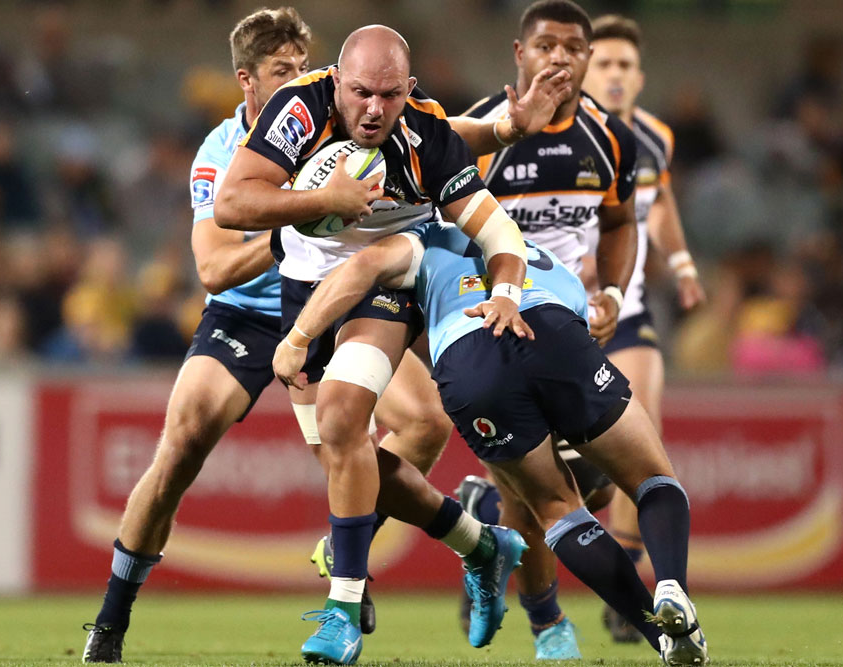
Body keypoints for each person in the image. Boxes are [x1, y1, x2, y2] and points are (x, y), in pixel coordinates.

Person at [213, 23, 566, 665]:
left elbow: (495, 227)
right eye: (359, 94)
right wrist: (327, 199)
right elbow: (230, 205)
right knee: (356, 464)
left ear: (408, 90)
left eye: (387, 95)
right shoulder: (300, 105)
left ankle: (343, 611)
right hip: (305, 284)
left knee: (345, 414)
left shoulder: (425, 134)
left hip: (391, 277)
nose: (372, 110)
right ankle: (482, 545)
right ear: (335, 81)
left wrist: (509, 287)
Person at [272, 222, 710, 667]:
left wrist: (297, 338)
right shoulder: (543, 254)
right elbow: (585, 324)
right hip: (550, 329)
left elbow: (363, 265)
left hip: (468, 366)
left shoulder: (421, 238)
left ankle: (659, 638)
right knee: (650, 478)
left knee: (556, 508)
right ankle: (670, 585)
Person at [82, 8, 314, 662]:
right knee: (179, 444)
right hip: (244, 312)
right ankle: (111, 618)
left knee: (405, 425)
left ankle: (364, 574)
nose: (297, 82)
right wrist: (288, 230)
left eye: (302, 68)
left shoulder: (333, 128)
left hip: (327, 302)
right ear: (246, 80)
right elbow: (212, 268)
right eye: (280, 71)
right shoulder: (218, 155)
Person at [453, 1, 641, 658]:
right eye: (545, 46)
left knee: (593, 479)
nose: (559, 58)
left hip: (573, 326)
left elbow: (619, 223)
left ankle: (481, 528)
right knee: (540, 490)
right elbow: (447, 234)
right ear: (519, 54)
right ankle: (548, 625)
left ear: (587, 58)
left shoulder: (610, 139)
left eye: (571, 47)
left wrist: (612, 289)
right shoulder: (481, 135)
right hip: (496, 326)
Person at [580, 13, 707, 643]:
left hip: (625, 314)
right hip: (559, 321)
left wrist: (681, 264)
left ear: (641, 74)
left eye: (625, 65)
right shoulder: (566, 135)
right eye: (604, 63)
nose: (616, 75)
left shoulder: (654, 138)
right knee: (558, 469)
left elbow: (660, 206)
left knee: (642, 432)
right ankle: (487, 529)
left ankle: (631, 579)